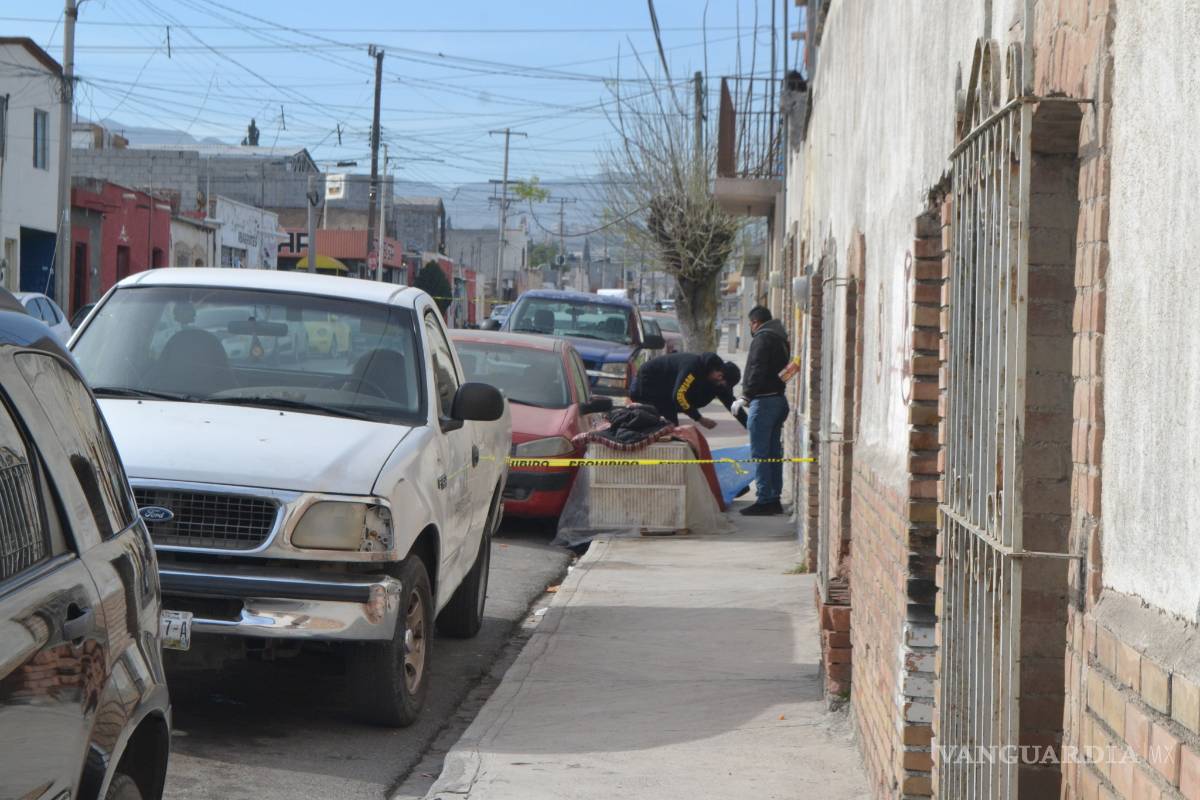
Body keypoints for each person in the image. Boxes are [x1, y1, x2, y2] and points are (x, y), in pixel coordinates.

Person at [739, 306, 791, 516]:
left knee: (760, 453)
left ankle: (764, 499)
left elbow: (757, 368)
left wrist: (746, 395)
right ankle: (773, 497)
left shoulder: (762, 338)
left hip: (763, 402)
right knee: (772, 453)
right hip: (778, 399)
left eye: (750, 324)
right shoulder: (780, 338)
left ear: (755, 323)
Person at [629, 352, 743, 429]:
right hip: (648, 383)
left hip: (667, 391)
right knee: (666, 427)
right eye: (720, 382)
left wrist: (751, 426)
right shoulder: (693, 367)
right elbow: (679, 396)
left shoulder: (717, 381)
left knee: (671, 427)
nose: (719, 385)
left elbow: (731, 403)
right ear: (720, 375)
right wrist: (700, 419)